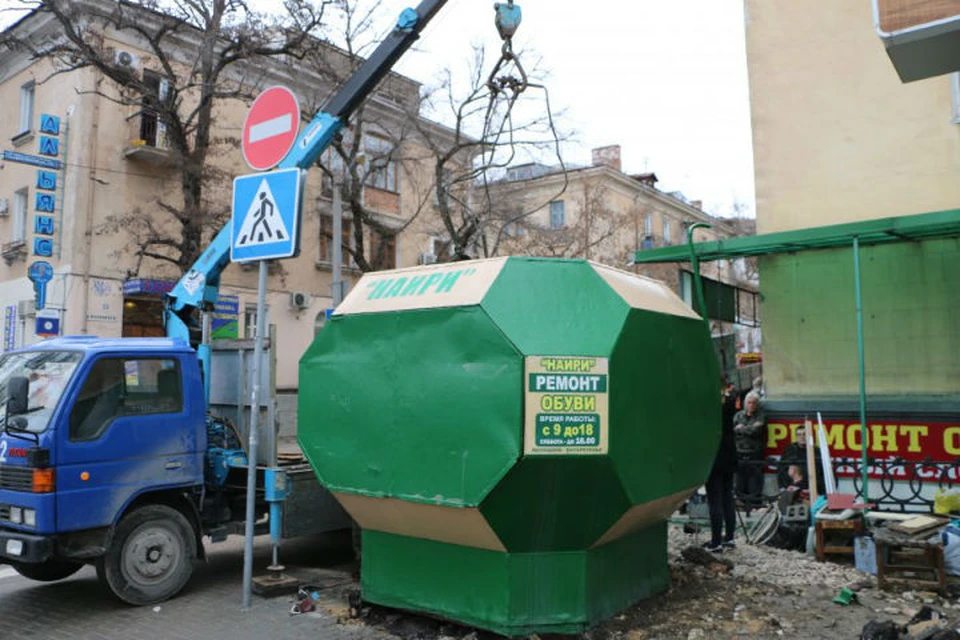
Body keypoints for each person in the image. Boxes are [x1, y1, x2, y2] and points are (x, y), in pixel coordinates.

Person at [703, 380, 739, 553]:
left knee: (714, 499)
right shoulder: (730, 405)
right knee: (727, 496)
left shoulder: (711, 409)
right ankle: (730, 537)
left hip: (715, 456)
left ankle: (716, 540)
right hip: (730, 454)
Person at [734, 391, 767, 510]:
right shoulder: (738, 416)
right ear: (745, 403)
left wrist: (742, 429)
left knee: (754, 481)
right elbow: (734, 431)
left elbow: (755, 431)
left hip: (755, 453)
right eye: (749, 402)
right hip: (739, 452)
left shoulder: (761, 416)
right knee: (740, 480)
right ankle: (741, 505)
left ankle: (754, 505)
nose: (751, 405)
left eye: (754, 403)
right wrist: (749, 428)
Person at [777, 424, 825, 492]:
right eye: (799, 435)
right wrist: (782, 487)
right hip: (792, 488)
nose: (802, 437)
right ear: (796, 437)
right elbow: (781, 469)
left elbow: (822, 473)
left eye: (804, 434)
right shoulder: (790, 450)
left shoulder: (817, 451)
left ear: (809, 436)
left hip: (812, 488)